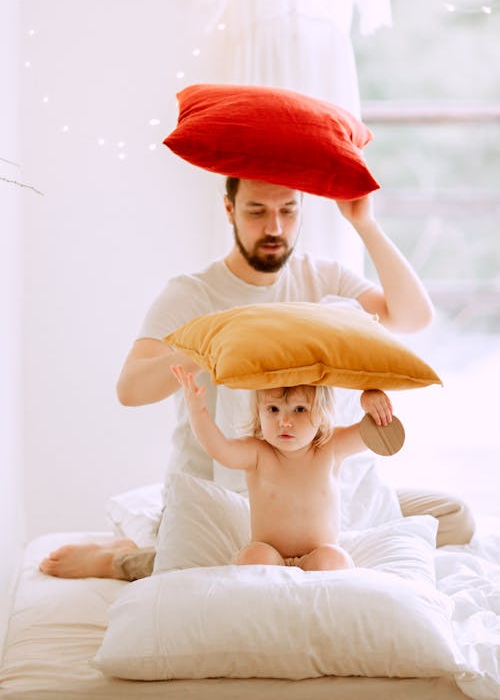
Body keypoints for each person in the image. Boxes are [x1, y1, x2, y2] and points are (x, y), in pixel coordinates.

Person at [40, 177, 475, 581]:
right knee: (213, 558)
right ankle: (122, 558)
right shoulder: (193, 294)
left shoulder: (323, 277)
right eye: (256, 211)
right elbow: (131, 390)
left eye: (288, 210)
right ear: (228, 209)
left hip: (322, 483)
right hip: (232, 489)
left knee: (455, 516)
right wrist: (214, 341)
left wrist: (365, 224)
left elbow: (413, 318)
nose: (275, 226)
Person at [172, 364, 394, 570]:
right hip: (269, 553)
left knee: (335, 559)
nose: (284, 421)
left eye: (299, 409)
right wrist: (197, 412)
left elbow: (378, 431)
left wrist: (371, 400)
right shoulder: (258, 453)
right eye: (273, 409)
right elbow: (219, 449)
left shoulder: (330, 447)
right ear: (259, 412)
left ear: (323, 412)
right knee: (253, 557)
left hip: (318, 554)